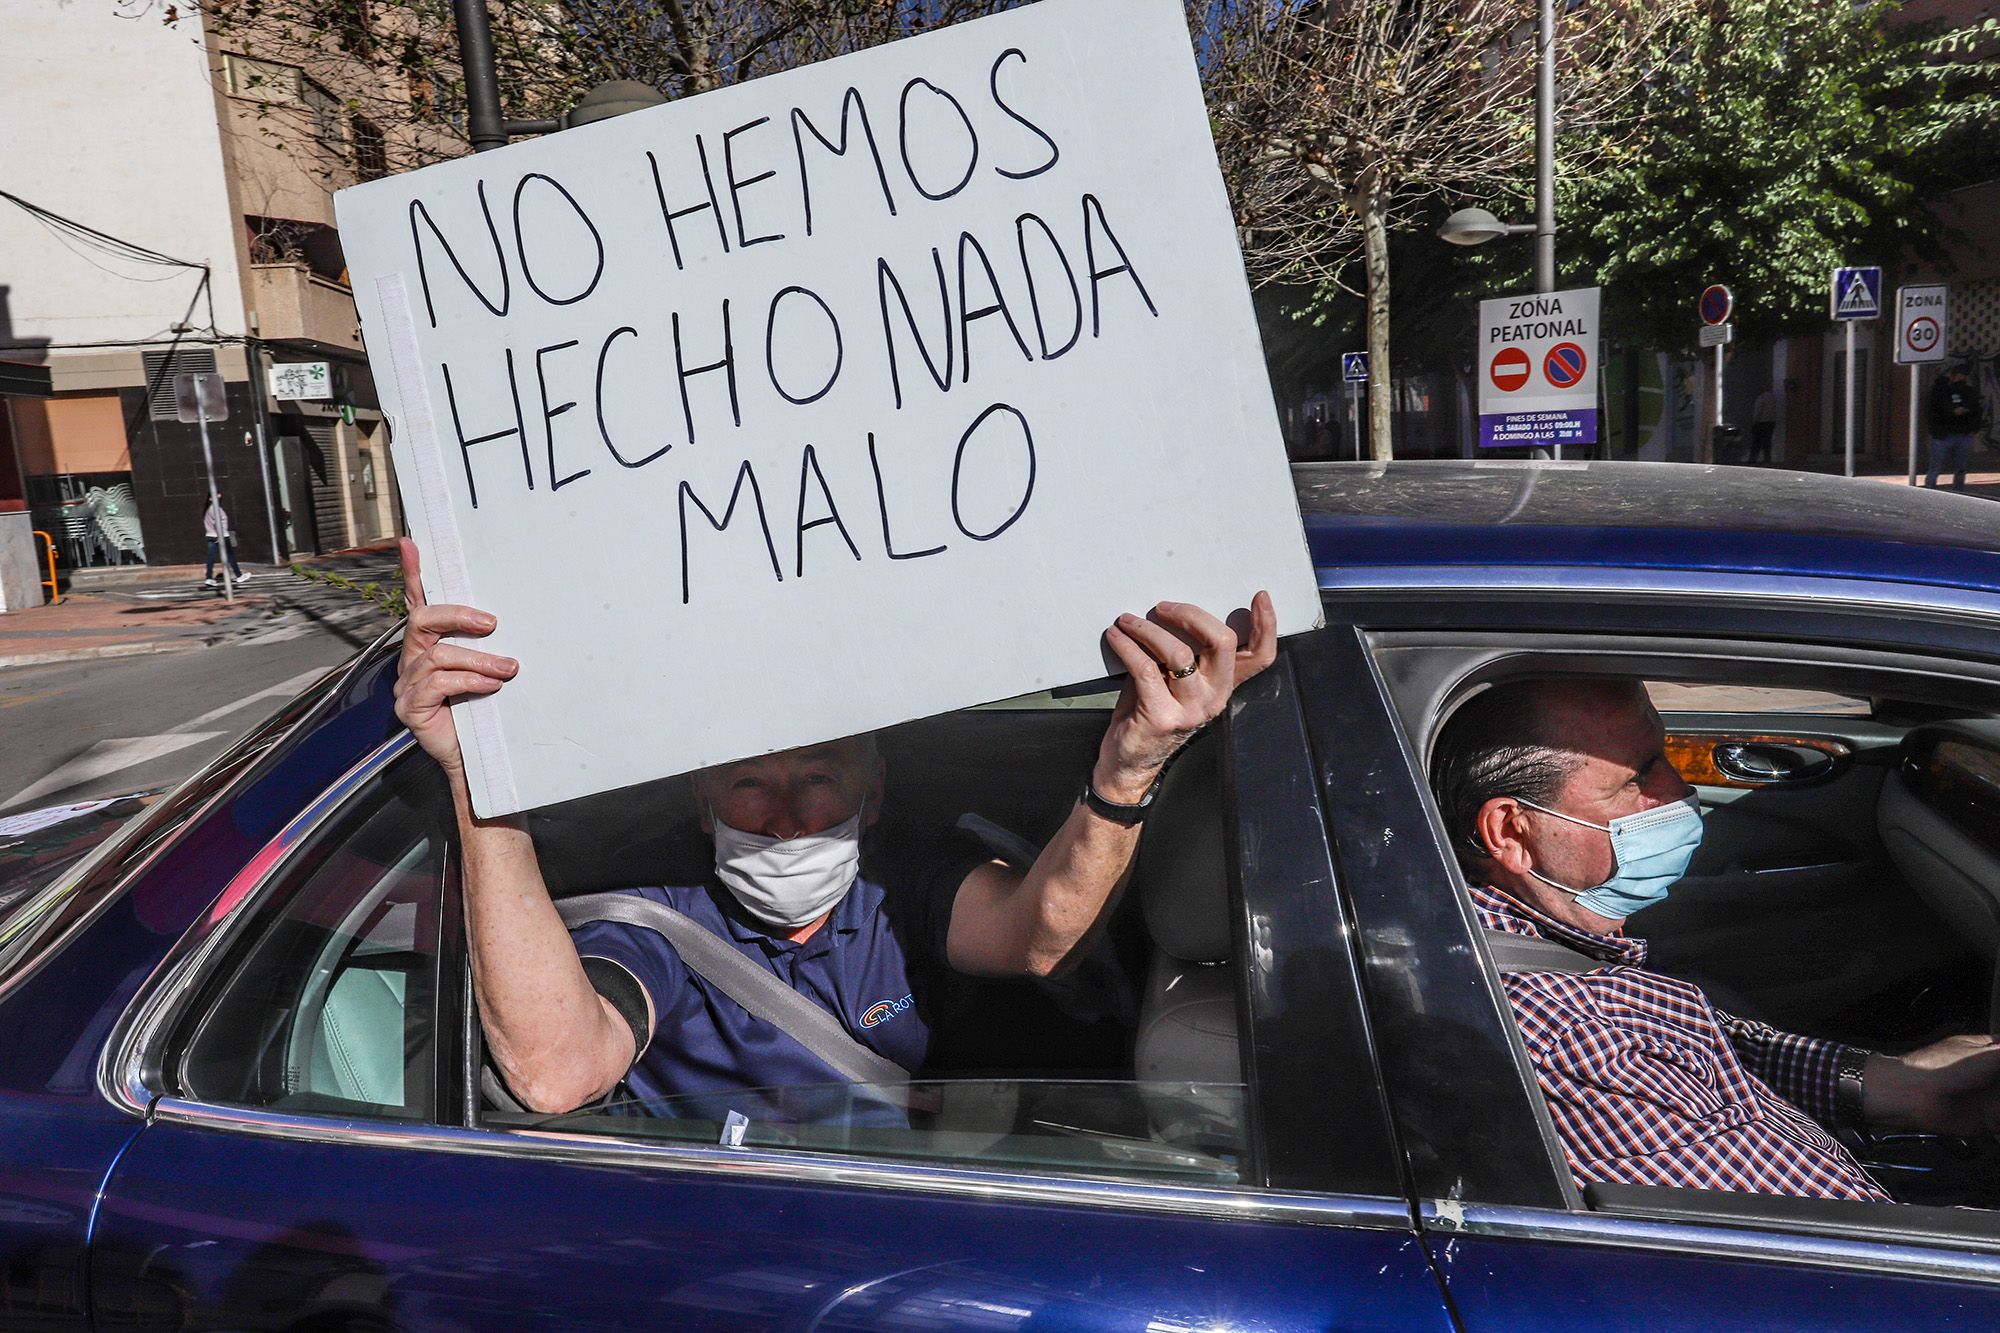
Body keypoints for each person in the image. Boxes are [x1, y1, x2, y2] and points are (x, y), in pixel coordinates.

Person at [393, 539, 1276, 1118]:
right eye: (749, 783)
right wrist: (480, 776)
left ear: (874, 790)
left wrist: (1130, 763)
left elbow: (1038, 935)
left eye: (820, 777)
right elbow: (554, 1069)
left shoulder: (902, 878)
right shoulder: (661, 912)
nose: (786, 815)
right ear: (703, 802)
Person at [1429, 678, 2000, 1202]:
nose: (1679, 792)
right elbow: (1872, 1250)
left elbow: (1690, 1044)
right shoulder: (1568, 1041)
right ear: (1511, 831)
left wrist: (1883, 1083)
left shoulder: (1539, 949)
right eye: (1640, 774)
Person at [1928, 365, 1982, 491]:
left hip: (1963, 434)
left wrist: (1973, 426)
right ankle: (1929, 490)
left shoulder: (1968, 391)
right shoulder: (1940, 391)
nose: (1961, 378)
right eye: (1958, 375)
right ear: (1952, 376)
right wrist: (1952, 412)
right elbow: (1934, 410)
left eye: (1963, 376)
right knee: (1936, 467)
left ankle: (1958, 491)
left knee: (1961, 468)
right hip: (1943, 435)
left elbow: (1976, 409)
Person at [201, 494, 250, 588]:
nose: (219, 499)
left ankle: (209, 578)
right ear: (210, 498)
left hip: (211, 535)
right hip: (221, 535)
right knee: (230, 556)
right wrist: (220, 536)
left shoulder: (208, 509)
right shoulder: (215, 509)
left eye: (220, 497)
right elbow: (217, 523)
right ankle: (239, 575)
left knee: (211, 557)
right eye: (216, 496)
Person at [1749, 386, 1779, 464]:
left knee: (1756, 442)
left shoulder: (1761, 398)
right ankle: (1767, 459)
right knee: (1767, 442)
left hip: (1761, 422)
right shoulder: (1773, 398)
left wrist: (1754, 421)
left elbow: (1758, 411)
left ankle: (1753, 459)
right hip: (1771, 422)